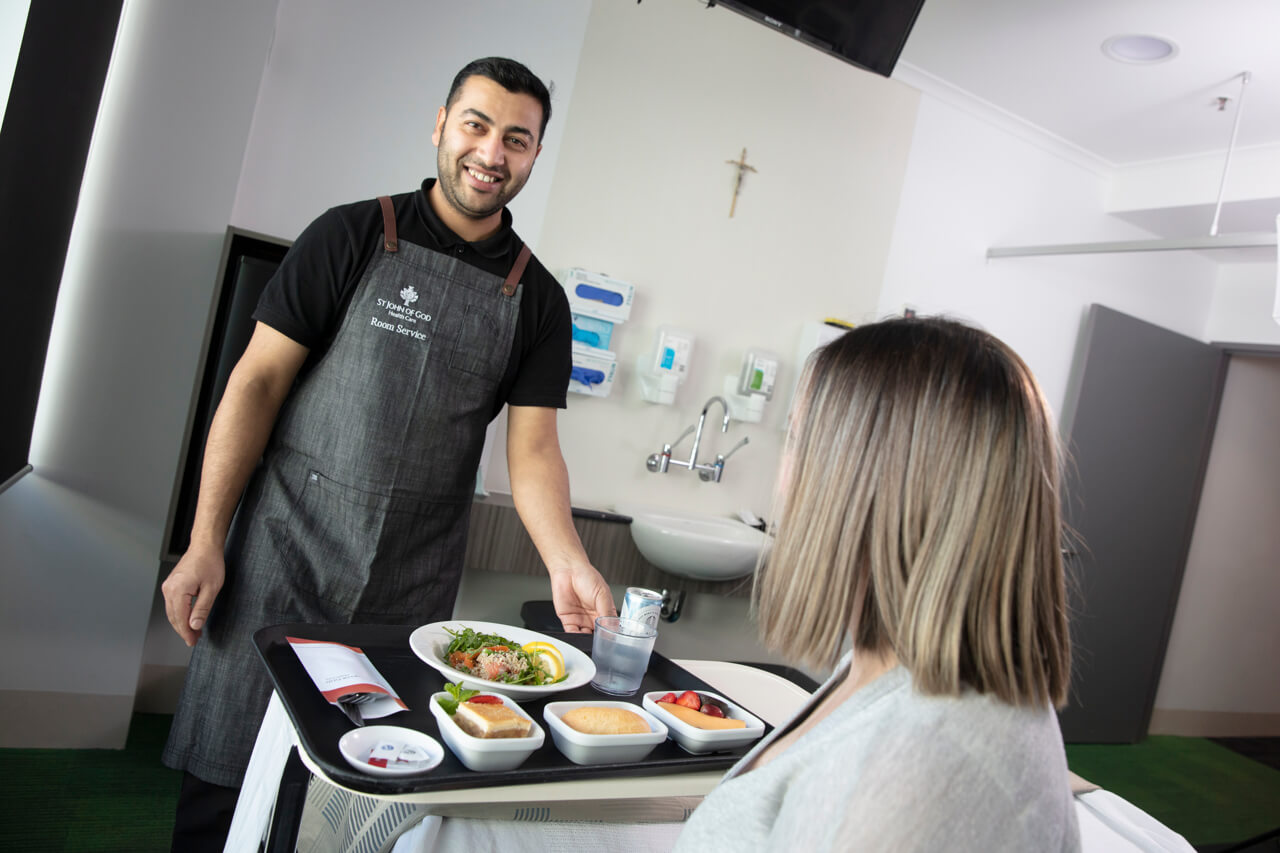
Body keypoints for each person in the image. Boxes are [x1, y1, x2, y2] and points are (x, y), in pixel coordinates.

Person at [159, 57, 615, 850]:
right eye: (476, 125)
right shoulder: (350, 234)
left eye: (516, 139)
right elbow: (255, 385)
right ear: (441, 125)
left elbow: (535, 449)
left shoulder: (539, 300)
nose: (491, 153)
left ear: (535, 153)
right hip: (282, 553)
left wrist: (567, 560)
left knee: (354, 788)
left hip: (408, 584)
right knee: (226, 774)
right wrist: (205, 539)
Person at [674, 317, 1080, 851]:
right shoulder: (895, 666)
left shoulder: (908, 776)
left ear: (867, 481)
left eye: (795, 439)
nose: (782, 474)